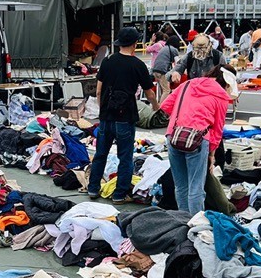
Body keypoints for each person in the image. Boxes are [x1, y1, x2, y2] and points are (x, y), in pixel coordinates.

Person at [88, 26, 159, 204]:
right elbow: (150, 93)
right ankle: (119, 195)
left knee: (100, 154)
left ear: (119, 43)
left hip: (106, 116)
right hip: (125, 117)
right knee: (125, 157)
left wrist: (102, 109)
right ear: (135, 44)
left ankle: (93, 188)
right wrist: (157, 108)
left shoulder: (107, 61)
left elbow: (98, 91)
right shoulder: (138, 65)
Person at [160, 73, 233, 215]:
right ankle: (195, 222)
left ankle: (183, 219)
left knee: (180, 186)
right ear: (226, 84)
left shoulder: (187, 84)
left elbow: (166, 106)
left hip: (174, 135)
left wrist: (183, 116)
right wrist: (212, 154)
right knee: (196, 187)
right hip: (198, 139)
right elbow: (217, 130)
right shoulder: (221, 96)